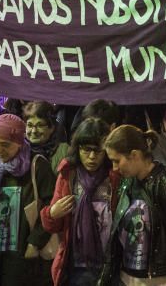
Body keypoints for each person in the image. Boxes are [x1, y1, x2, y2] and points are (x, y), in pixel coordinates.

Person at [103, 124, 166, 285]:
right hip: (128, 278)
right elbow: (116, 235)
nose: (114, 168)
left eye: (117, 161)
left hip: (159, 280)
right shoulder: (127, 184)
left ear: (134, 155)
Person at [0, 114, 55, 286]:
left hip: (23, 253)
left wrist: (35, 241)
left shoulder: (38, 166)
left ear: (19, 142)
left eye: (5, 144)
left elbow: (50, 207)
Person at [40, 118, 121, 285]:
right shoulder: (68, 175)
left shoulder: (115, 176)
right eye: (86, 150)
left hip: (112, 263)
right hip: (77, 265)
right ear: (77, 148)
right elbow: (51, 226)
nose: (92, 157)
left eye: (98, 151)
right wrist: (52, 213)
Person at [24, 101, 69, 177]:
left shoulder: (64, 151)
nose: (34, 131)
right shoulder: (19, 149)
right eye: (30, 125)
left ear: (51, 128)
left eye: (40, 125)